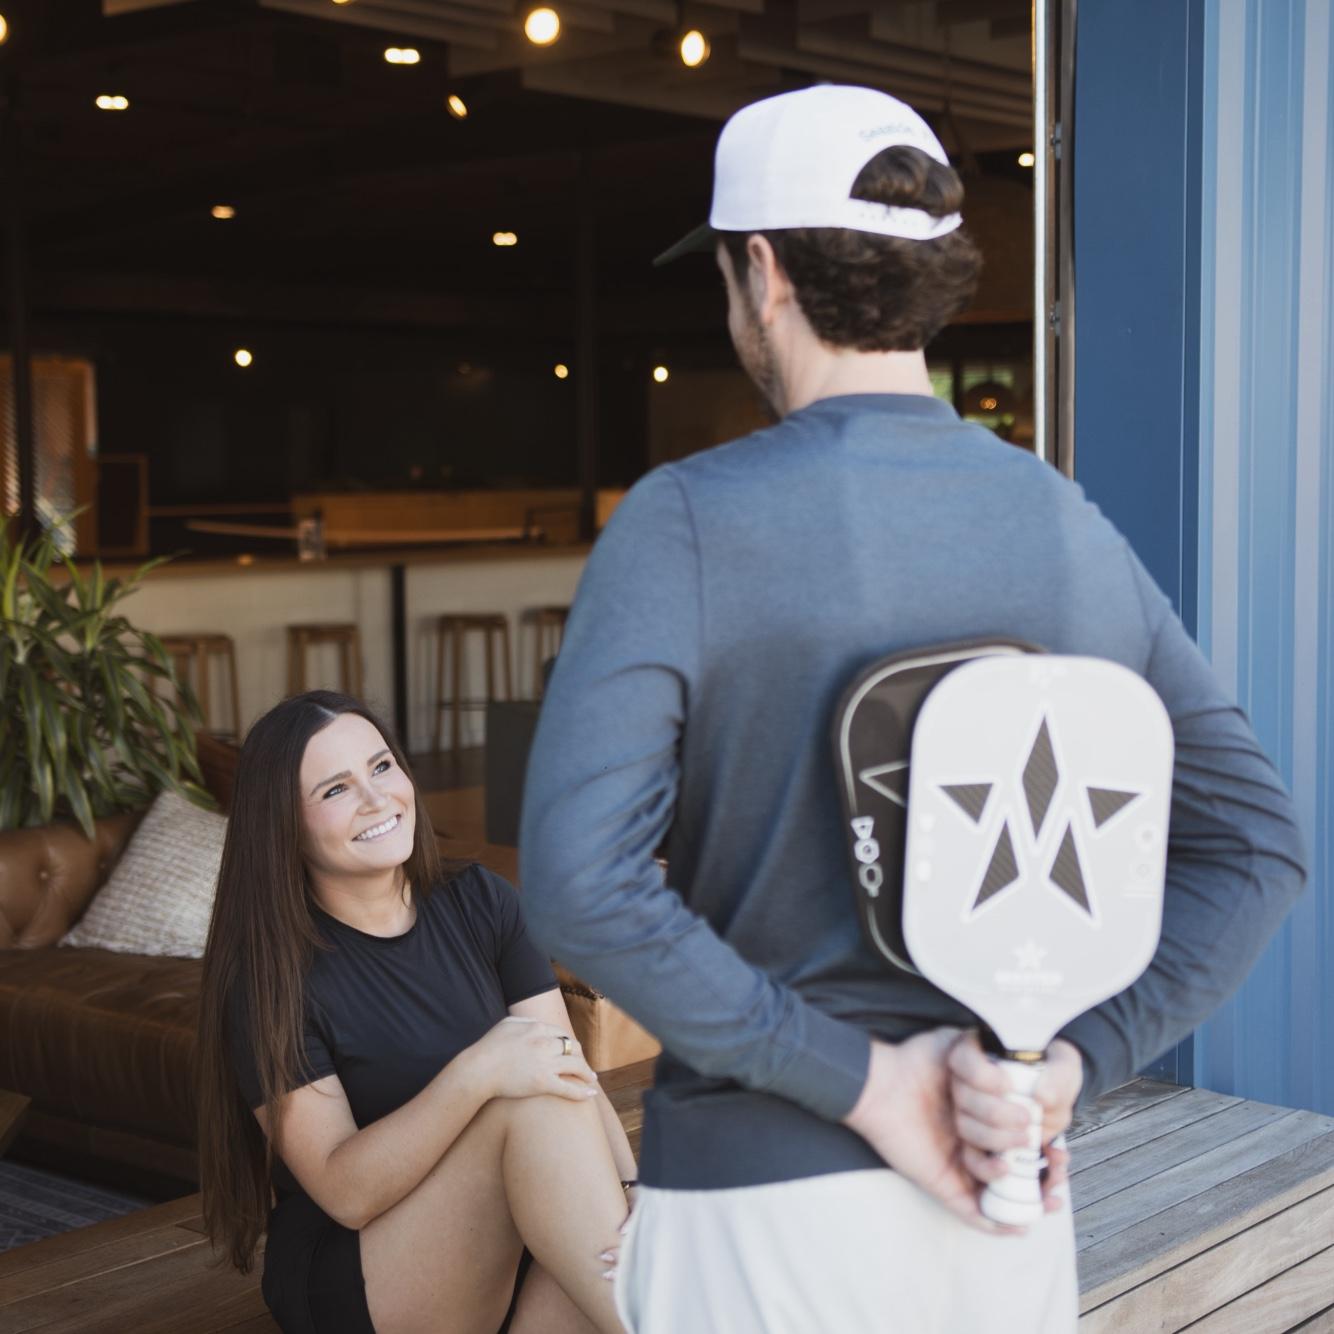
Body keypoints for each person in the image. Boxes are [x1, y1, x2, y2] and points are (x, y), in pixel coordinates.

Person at [518, 85, 1307, 1333]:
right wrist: (1066, 1065)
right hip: (999, 1193)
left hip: (761, 1208)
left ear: (762, 273)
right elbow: (1256, 846)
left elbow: (581, 886)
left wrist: (870, 1083)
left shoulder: (686, 520)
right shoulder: (1060, 519)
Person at [197, 691, 632, 1334]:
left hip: (512, 1237)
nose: (377, 799)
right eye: (335, 789)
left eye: (381, 767)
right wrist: (476, 1073)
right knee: (528, 1100)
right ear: (283, 825)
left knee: (625, 1243)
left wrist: (634, 1194)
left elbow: (574, 1077)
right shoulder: (270, 978)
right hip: (363, 1269)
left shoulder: (481, 900)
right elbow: (345, 1195)